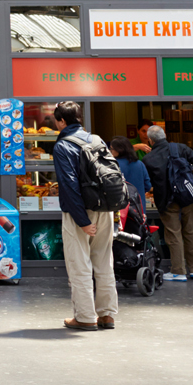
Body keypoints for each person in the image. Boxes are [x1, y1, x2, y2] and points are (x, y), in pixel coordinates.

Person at [51, 101, 117, 331]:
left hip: (81, 213)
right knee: (104, 261)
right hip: (105, 209)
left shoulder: (63, 146)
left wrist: (82, 221)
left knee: (79, 264)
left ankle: (86, 317)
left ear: (61, 121)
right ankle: (107, 315)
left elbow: (69, 185)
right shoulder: (97, 139)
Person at [141, 125, 193, 281]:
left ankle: (178, 271)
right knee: (191, 232)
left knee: (173, 235)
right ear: (164, 135)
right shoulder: (180, 148)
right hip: (187, 198)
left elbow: (148, 183)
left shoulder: (148, 159)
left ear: (150, 140)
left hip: (166, 201)